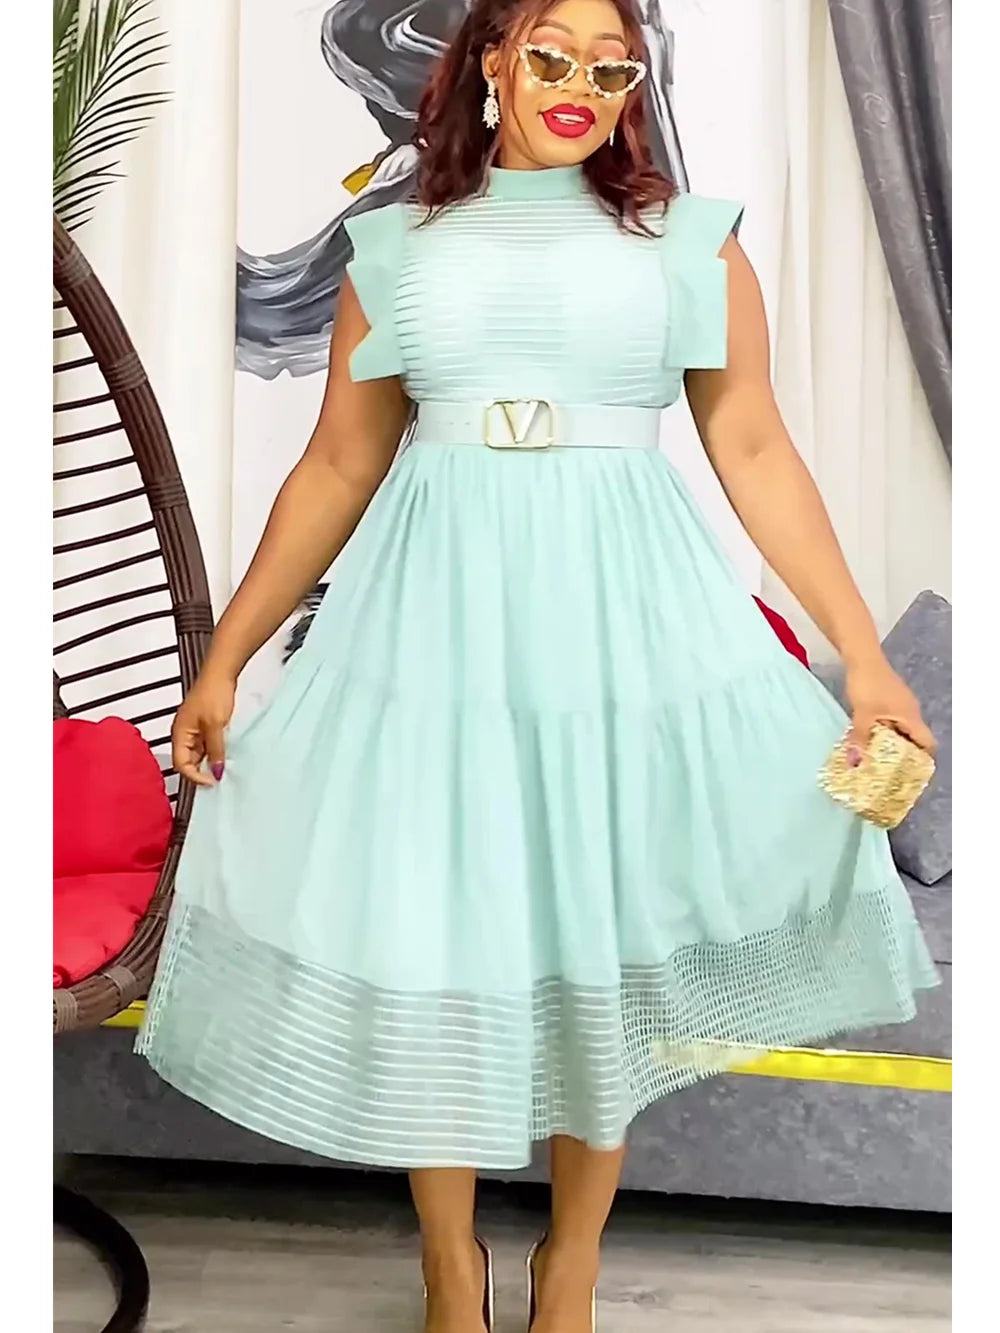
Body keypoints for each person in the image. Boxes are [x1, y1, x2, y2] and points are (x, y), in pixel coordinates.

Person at [138, 2, 938, 1330]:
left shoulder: (691, 242)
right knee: (433, 926)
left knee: (598, 933)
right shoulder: (395, 246)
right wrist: (225, 656)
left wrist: (861, 655)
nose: (582, 87)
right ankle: (450, 1264)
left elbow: (754, 448)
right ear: (493, 64)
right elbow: (336, 464)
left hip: (623, 630)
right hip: (431, 631)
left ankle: (572, 1265)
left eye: (612, 68)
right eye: (553, 57)